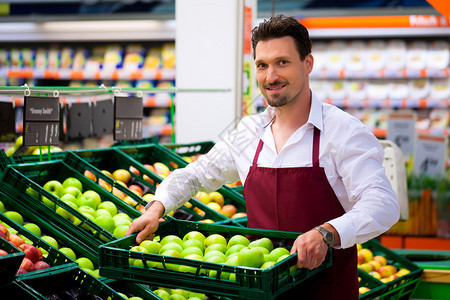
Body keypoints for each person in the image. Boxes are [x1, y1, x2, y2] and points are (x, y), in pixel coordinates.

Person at [126, 15, 400, 299]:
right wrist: (157, 207)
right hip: (260, 292)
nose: (271, 76)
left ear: (307, 64)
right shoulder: (249, 132)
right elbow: (196, 174)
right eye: (262, 65)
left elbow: (382, 204)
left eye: (283, 62)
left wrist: (327, 233)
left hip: (325, 290)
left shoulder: (342, 131)